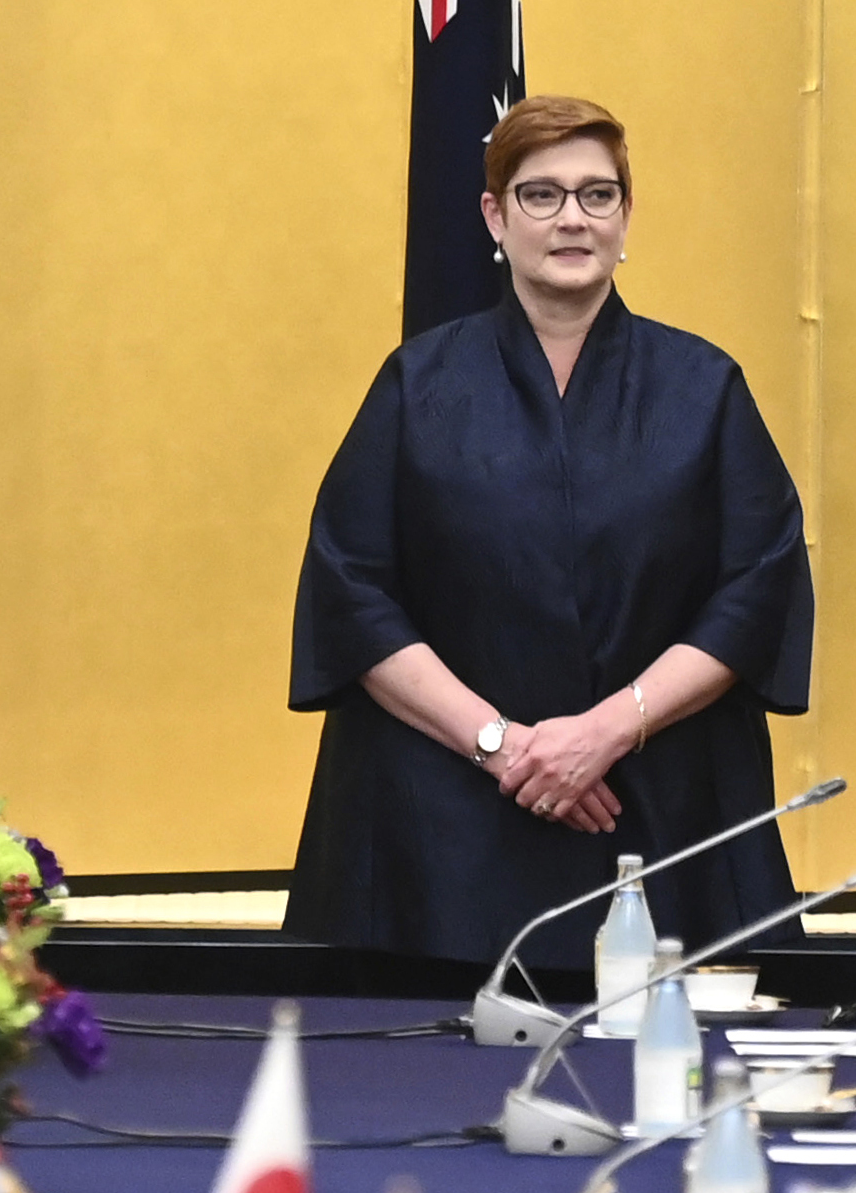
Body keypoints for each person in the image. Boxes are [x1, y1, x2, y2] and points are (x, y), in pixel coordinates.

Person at [286, 94, 817, 973]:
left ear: (625, 216)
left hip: (650, 801)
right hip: (446, 812)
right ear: (495, 216)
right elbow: (350, 589)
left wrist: (602, 734)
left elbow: (757, 587)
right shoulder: (417, 385)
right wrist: (503, 747)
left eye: (597, 194)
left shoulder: (702, 386)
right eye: (541, 195)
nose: (572, 217)